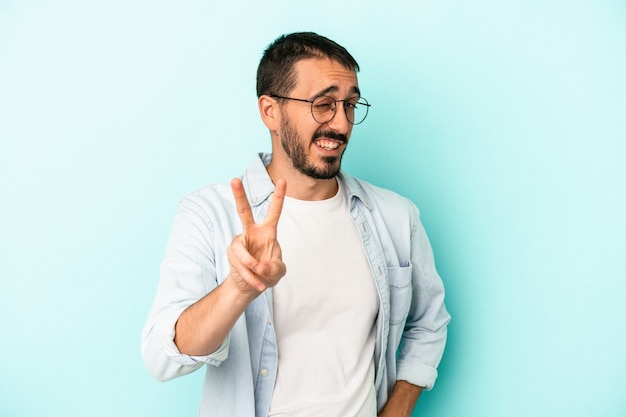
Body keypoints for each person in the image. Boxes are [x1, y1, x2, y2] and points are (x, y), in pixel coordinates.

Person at [142, 31, 450, 417]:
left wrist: (397, 410)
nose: (341, 124)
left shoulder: (396, 217)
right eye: (323, 104)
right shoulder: (208, 214)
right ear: (270, 111)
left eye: (350, 104)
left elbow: (429, 323)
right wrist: (238, 288)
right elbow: (163, 358)